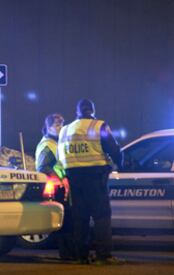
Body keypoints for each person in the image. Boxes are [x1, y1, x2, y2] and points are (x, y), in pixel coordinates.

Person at [57, 99, 123, 265]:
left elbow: (60, 156)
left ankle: (81, 256)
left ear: (77, 111)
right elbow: (114, 150)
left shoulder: (65, 130)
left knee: (80, 217)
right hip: (96, 177)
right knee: (101, 216)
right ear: (92, 110)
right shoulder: (99, 126)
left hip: (74, 178)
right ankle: (103, 255)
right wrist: (118, 164)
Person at [35, 113, 73, 260]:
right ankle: (67, 254)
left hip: (63, 187)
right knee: (64, 223)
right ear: (48, 127)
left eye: (62, 124)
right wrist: (61, 178)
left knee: (68, 221)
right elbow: (43, 167)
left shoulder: (56, 143)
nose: (61, 127)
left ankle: (70, 253)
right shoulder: (47, 145)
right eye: (57, 125)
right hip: (57, 188)